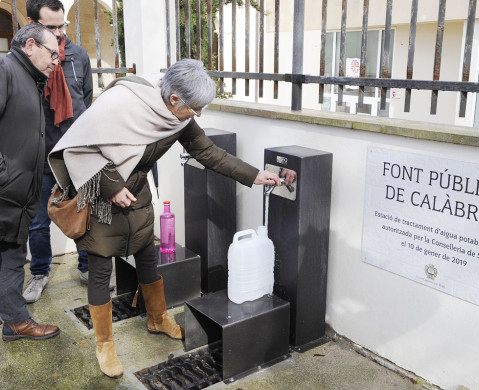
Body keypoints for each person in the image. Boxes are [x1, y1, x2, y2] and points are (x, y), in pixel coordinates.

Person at [48, 59, 281, 378]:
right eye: (196, 108)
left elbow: (208, 152)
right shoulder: (120, 103)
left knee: (147, 256)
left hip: (138, 192)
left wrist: (254, 175)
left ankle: (157, 319)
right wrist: (113, 186)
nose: (198, 115)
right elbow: (80, 148)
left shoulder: (178, 116)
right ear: (174, 99)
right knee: (101, 268)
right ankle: (104, 345)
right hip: (102, 196)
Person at [23, 0, 99, 304]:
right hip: (40, 157)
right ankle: (39, 273)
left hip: (76, 156)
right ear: (31, 24)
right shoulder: (26, 61)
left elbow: (87, 101)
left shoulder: (78, 56)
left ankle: (87, 267)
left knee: (84, 215)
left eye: (61, 26)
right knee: (39, 223)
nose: (58, 34)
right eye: (50, 27)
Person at [0, 24, 61, 342]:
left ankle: (14, 320)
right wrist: (4, 175)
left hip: (17, 193)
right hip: (6, 192)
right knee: (10, 257)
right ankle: (15, 321)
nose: (56, 60)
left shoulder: (30, 79)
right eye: (52, 53)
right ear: (30, 46)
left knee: (10, 255)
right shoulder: (6, 71)